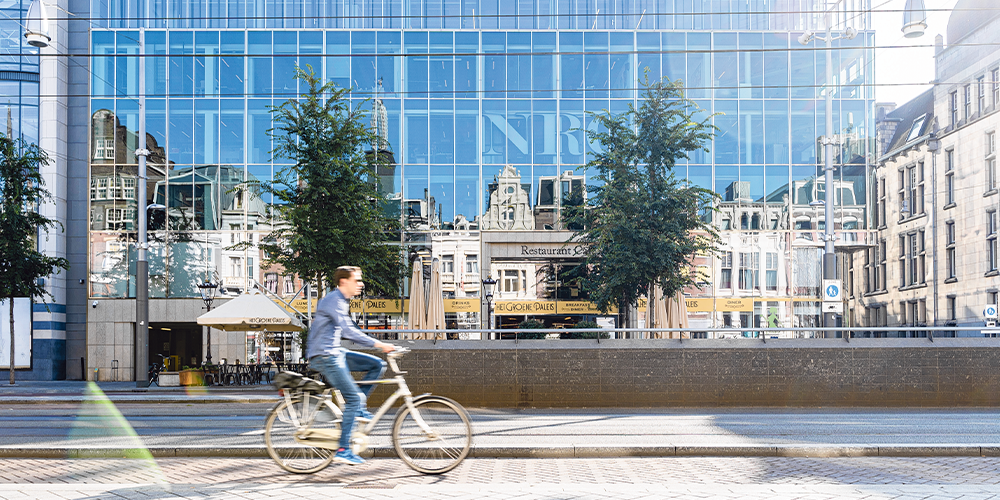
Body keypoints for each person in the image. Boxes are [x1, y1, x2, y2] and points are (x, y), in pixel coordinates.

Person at [306, 266, 395, 466]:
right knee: (353, 399)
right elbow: (348, 330)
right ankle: (343, 449)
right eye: (357, 280)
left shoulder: (342, 301)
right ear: (344, 282)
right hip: (325, 355)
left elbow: (350, 328)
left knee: (376, 365)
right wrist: (379, 344)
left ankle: (358, 409)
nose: (361, 284)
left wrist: (378, 345)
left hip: (335, 352)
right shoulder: (333, 301)